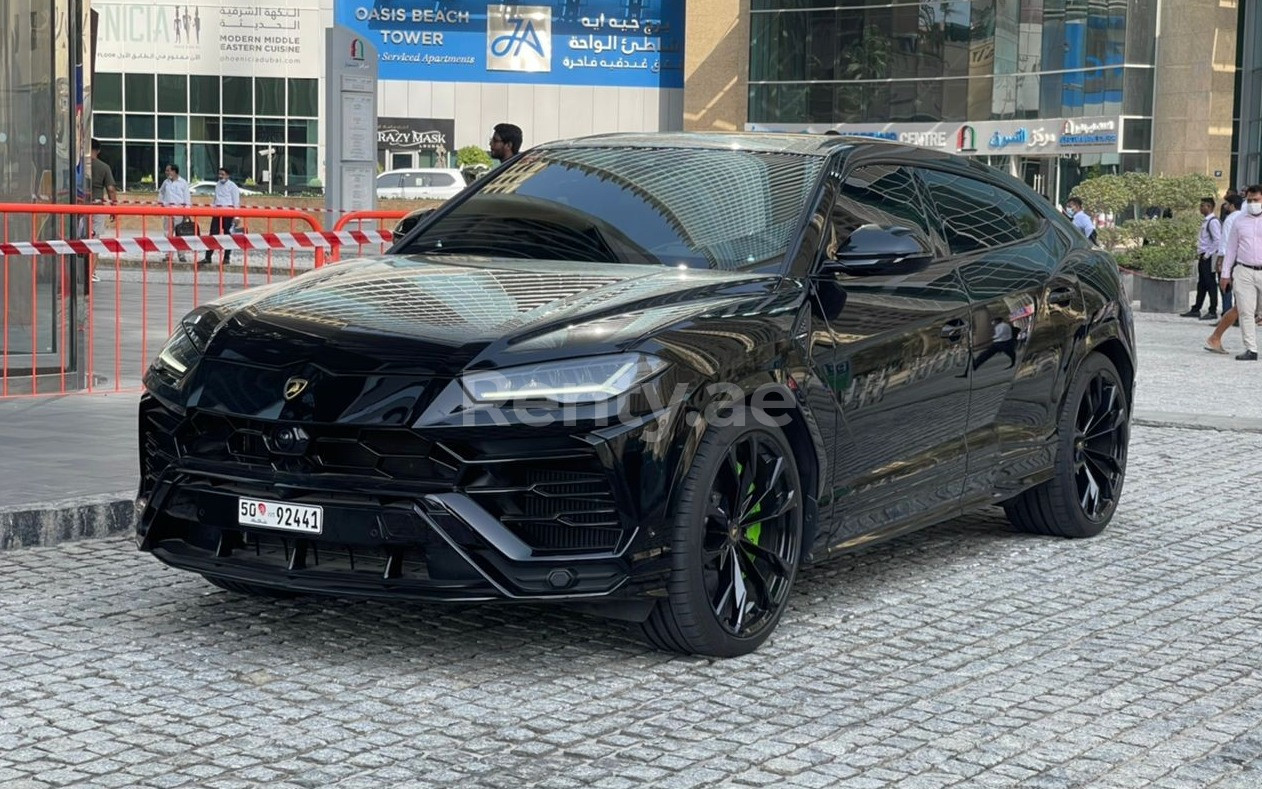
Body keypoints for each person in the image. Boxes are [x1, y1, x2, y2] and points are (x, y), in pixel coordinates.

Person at [1221, 184, 1262, 361]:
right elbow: (1231, 248)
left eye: (1257, 200)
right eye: (1250, 200)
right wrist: (1225, 274)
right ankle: (1251, 349)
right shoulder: (1239, 220)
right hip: (1243, 270)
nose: (1253, 203)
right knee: (1246, 311)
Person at [1183, 197, 1223, 319]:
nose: (1200, 208)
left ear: (1210, 207)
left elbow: (1217, 240)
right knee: (1202, 284)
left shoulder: (1213, 222)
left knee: (1210, 283)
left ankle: (1212, 310)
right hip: (1204, 256)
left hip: (1209, 257)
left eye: (1203, 206)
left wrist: (1207, 254)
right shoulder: (1206, 221)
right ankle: (1196, 308)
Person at [89, 138, 118, 284]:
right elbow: (111, 189)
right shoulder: (103, 167)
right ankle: (91, 272)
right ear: (98, 150)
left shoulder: (78, 165)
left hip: (78, 206)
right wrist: (114, 208)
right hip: (97, 207)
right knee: (94, 241)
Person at [201, 165, 241, 269]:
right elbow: (215, 199)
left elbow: (236, 202)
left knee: (228, 236)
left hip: (228, 213)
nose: (220, 176)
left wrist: (236, 216)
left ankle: (227, 257)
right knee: (212, 235)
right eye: (219, 174)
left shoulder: (233, 186)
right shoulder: (217, 185)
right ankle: (208, 257)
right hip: (217, 213)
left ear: (228, 175)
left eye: (222, 174)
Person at [157, 163, 191, 263]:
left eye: (168, 170)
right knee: (168, 233)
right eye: (166, 170)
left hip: (179, 212)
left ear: (174, 171)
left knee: (180, 234)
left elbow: (187, 198)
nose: (166, 172)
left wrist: (187, 211)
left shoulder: (183, 183)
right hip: (168, 212)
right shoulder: (166, 182)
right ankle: (168, 255)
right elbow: (161, 193)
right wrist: (161, 204)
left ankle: (181, 255)